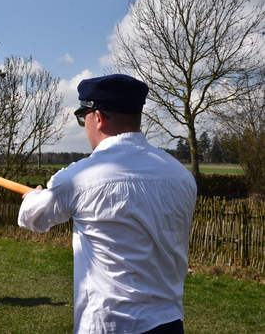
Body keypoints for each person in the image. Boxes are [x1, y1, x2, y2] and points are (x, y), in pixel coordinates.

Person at [18, 74, 197, 334]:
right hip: (168, 322)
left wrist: (33, 197)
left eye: (83, 119)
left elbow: (32, 218)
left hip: (110, 324)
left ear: (98, 117)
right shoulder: (180, 175)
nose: (85, 126)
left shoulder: (80, 177)